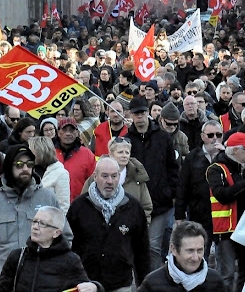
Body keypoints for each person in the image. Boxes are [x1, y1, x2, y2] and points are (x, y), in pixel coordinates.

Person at [0, 144, 71, 291]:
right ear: (9, 166)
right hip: (1, 283)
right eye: (19, 164)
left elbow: (65, 237)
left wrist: (53, 271)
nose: (25, 169)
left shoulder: (48, 198)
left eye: (29, 164)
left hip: (41, 283)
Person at [67, 157, 150, 292]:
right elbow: (69, 246)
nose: (109, 181)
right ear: (95, 176)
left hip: (120, 283)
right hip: (85, 282)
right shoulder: (79, 206)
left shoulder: (133, 207)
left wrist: (144, 285)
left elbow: (142, 251)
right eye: (104, 176)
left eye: (114, 176)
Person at [126, 97, 179, 271]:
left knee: (154, 246)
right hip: (135, 201)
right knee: (137, 246)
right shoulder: (127, 140)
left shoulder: (163, 137)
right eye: (136, 114)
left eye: (142, 112)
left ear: (148, 113)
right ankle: (142, 282)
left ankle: (155, 283)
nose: (139, 117)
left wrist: (171, 192)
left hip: (159, 200)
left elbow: (172, 167)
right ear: (131, 115)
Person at [206, 132, 245, 291]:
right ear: (235, 151)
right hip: (225, 230)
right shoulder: (216, 169)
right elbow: (222, 195)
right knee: (227, 274)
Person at [0, 206, 103, 292]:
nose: (35, 227)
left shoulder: (70, 260)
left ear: (56, 233)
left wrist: (96, 287)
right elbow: (2, 288)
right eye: (34, 221)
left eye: (42, 224)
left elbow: (84, 287)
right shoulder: (18, 256)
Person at [175, 120, 225, 259]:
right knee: (201, 253)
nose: (215, 138)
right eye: (210, 135)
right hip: (199, 213)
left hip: (223, 214)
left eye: (219, 134)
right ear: (203, 136)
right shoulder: (192, 157)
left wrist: (224, 156)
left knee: (223, 257)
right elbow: (183, 185)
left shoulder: (226, 156)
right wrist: (179, 214)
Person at [138, 221, 226, 292]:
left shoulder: (215, 281)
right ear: (174, 250)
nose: (195, 257)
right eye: (190, 251)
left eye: (199, 250)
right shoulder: (153, 284)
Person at [84, 137, 152, 222]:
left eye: (127, 152)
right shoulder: (96, 177)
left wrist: (142, 228)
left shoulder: (137, 177)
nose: (124, 155)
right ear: (111, 154)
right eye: (120, 152)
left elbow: (146, 207)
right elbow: (83, 203)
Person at [54, 117, 96, 202]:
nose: (68, 133)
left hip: (79, 206)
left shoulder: (87, 155)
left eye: (71, 130)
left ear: (77, 132)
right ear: (58, 133)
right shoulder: (50, 153)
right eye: (64, 130)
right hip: (54, 206)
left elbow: (94, 182)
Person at [28, 136, 70, 213]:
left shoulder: (60, 173)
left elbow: (63, 206)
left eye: (31, 151)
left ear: (40, 152)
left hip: (48, 221)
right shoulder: (29, 170)